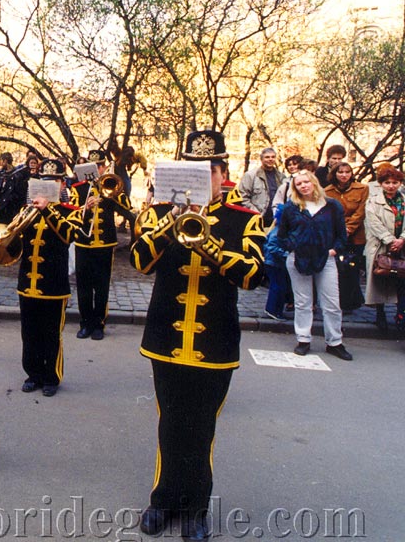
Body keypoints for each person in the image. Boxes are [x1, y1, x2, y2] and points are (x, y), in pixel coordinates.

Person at [130, 130, 265, 541]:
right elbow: (139, 261)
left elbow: (254, 276)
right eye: (191, 171)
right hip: (166, 338)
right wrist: (170, 223)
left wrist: (210, 245)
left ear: (223, 175)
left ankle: (195, 508)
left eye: (209, 170)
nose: (200, 178)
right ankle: (163, 499)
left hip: (214, 344)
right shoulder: (158, 213)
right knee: (170, 423)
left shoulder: (246, 218)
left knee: (201, 428)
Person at [16, 158, 82, 397]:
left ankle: (51, 376)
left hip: (54, 284)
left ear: (62, 184)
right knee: (29, 332)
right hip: (27, 281)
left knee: (51, 332)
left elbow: (68, 235)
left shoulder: (70, 213)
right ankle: (33, 374)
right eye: (43, 181)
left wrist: (48, 210)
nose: (47, 185)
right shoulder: (27, 210)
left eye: (53, 181)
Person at [277, 170, 352, 360]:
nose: (303, 186)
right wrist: (292, 247)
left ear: (313, 182)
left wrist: (334, 250)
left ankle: (334, 342)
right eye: (299, 184)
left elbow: (341, 235)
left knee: (332, 302)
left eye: (306, 182)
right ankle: (303, 339)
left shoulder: (332, 206)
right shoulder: (290, 208)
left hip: (325, 259)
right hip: (298, 259)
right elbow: (282, 235)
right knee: (303, 302)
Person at [69, 149, 132, 340]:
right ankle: (85, 323)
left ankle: (99, 324)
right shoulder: (79, 188)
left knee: (102, 285)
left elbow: (126, 209)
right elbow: (71, 212)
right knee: (84, 286)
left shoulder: (111, 186)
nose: (97, 169)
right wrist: (84, 207)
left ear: (105, 167)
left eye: (100, 166)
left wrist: (111, 194)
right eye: (93, 166)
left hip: (104, 244)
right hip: (84, 243)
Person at [363, 165, 405, 331]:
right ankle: (380, 314)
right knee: (380, 277)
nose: (391, 185)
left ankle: (400, 314)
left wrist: (401, 239)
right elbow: (373, 223)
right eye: (387, 182)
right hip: (380, 245)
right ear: (381, 184)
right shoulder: (373, 201)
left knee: (400, 279)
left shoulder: (403, 200)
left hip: (402, 246)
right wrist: (389, 240)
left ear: (400, 183)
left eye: (395, 182)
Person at [324, 162, 368, 312]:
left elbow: (361, 212)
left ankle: (351, 302)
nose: (344, 175)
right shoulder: (327, 191)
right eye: (340, 172)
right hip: (336, 235)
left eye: (347, 172)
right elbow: (328, 213)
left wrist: (348, 229)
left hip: (356, 236)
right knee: (338, 268)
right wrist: (340, 230)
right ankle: (340, 302)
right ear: (334, 174)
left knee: (352, 268)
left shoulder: (362, 189)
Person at [238, 147, 283, 228]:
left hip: (275, 222)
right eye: (267, 157)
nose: (270, 159)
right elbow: (243, 198)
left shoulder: (281, 177)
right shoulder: (250, 176)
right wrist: (256, 213)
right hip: (256, 221)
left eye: (273, 157)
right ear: (261, 159)